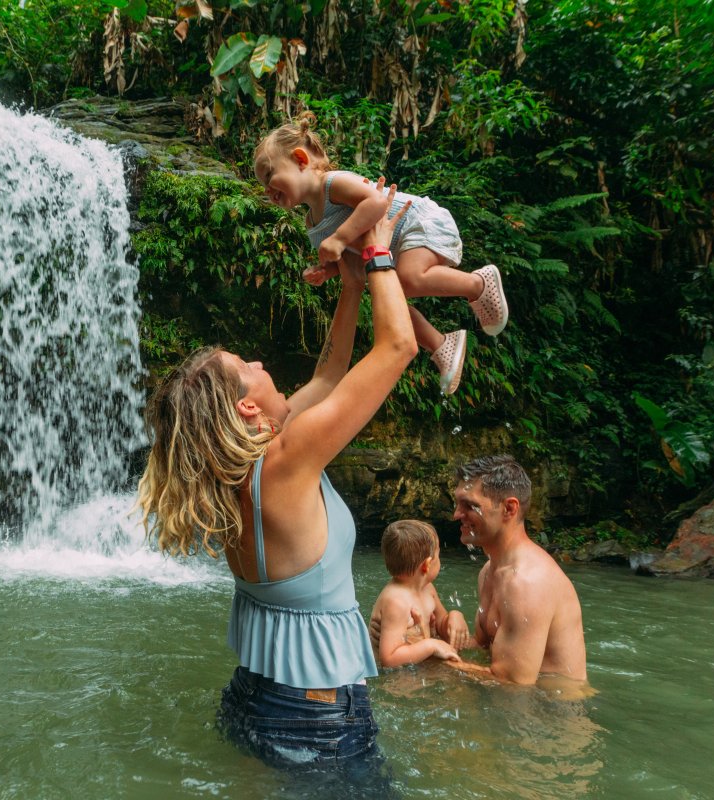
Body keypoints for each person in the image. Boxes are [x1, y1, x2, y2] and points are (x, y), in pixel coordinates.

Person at [138, 181, 416, 782]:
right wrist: (379, 252)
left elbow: (331, 370)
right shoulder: (288, 462)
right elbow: (398, 346)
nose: (262, 364)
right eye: (248, 367)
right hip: (316, 717)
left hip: (253, 700)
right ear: (245, 409)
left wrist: (349, 289)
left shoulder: (237, 476)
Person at [252, 112, 509, 397]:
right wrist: (327, 270)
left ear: (300, 160)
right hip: (392, 247)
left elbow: (376, 202)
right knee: (389, 303)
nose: (267, 190)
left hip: (415, 221)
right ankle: (441, 345)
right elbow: (349, 258)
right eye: (263, 186)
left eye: (269, 175)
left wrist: (338, 238)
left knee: (409, 281)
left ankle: (479, 284)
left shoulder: (333, 183)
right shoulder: (312, 224)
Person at [453, 455, 589, 688]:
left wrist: (428, 659)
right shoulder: (489, 571)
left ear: (509, 508)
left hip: (555, 716)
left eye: (470, 506)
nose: (456, 514)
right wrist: (426, 634)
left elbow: (512, 684)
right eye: (457, 504)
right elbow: (484, 648)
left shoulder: (527, 583)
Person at [369, 520, 468, 667]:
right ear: (427, 565)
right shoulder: (396, 601)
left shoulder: (428, 589)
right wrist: (430, 646)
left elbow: (441, 625)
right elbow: (389, 659)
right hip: (399, 680)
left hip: (418, 665)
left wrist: (455, 616)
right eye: (438, 555)